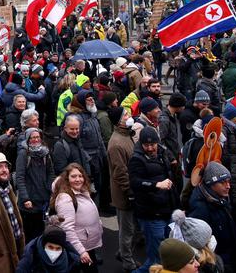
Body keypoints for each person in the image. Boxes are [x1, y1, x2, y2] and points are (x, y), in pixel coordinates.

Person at [128, 126, 178, 273]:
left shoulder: (162, 152)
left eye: (153, 144)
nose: (150, 148)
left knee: (167, 254)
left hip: (167, 209)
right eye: (146, 145)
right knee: (155, 259)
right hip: (151, 214)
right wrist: (156, 185)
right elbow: (135, 182)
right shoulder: (136, 159)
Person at [49, 163, 102, 272]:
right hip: (78, 249)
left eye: (80, 176)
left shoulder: (82, 191)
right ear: (67, 179)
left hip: (87, 246)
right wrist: (81, 251)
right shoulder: (65, 198)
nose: (78, 179)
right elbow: (67, 229)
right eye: (73, 176)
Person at [187, 162, 236, 273]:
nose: (228, 186)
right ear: (211, 184)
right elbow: (200, 245)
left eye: (228, 181)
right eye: (223, 182)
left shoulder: (221, 199)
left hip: (229, 256)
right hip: (218, 262)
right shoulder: (200, 209)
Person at [107, 111, 138, 273]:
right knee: (127, 230)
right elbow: (120, 172)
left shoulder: (126, 136)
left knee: (132, 228)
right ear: (118, 121)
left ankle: (124, 252)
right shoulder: (116, 143)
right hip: (124, 194)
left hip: (131, 190)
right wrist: (130, 191)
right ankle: (127, 261)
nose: (129, 116)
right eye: (125, 115)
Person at [15, 127, 55, 243]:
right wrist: (25, 198)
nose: (36, 139)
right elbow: (20, 177)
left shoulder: (45, 152)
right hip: (29, 202)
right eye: (32, 137)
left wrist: (50, 189)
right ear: (28, 139)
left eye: (38, 137)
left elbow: (51, 173)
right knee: (29, 234)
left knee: (41, 231)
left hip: (43, 199)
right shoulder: (23, 154)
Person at [15, 226, 81, 273]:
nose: (54, 251)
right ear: (43, 245)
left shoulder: (71, 260)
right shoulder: (30, 258)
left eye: (58, 248)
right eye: (50, 247)